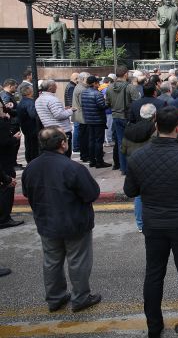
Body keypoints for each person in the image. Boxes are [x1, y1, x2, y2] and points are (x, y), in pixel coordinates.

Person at [123, 106, 178, 338]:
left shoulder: (139, 157)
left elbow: (130, 190)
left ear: (155, 126)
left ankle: (153, 325)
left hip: (154, 223)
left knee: (154, 273)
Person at [22, 127, 102, 312]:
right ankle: (80, 298)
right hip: (74, 223)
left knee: (51, 261)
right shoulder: (72, 167)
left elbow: (27, 192)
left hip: (46, 222)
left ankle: (55, 297)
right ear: (62, 144)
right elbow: (91, 193)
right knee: (78, 260)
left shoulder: (31, 167)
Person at [121, 104, 157, 233]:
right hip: (150, 165)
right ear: (154, 115)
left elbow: (123, 150)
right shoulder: (154, 130)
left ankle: (140, 224)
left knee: (139, 196)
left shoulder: (129, 129)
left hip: (133, 165)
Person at [106, 66, 140, 174]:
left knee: (121, 143)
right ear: (125, 74)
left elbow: (107, 103)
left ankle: (123, 168)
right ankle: (131, 168)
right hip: (127, 117)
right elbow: (137, 101)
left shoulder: (110, 87)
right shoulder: (130, 87)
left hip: (116, 117)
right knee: (131, 143)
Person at [35, 80, 74, 157]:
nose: (56, 87)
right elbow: (59, 115)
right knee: (64, 154)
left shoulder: (39, 99)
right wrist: (71, 110)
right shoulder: (52, 99)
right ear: (50, 88)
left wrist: (64, 109)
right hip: (61, 130)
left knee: (54, 154)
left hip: (49, 129)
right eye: (55, 85)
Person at [81, 76, 112, 169]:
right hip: (98, 120)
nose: (99, 84)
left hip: (89, 120)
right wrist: (108, 103)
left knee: (91, 140)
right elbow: (102, 106)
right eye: (97, 82)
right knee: (98, 141)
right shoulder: (97, 94)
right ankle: (99, 161)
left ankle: (92, 161)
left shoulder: (84, 93)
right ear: (94, 83)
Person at [0, 105, 23, 230]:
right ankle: (4, 218)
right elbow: (4, 142)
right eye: (1, 108)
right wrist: (15, 138)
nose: (3, 110)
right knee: (7, 189)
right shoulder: (2, 124)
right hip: (4, 163)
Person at [17, 85, 39, 163]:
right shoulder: (29, 102)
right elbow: (33, 115)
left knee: (29, 146)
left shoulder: (22, 101)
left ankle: (29, 161)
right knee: (33, 147)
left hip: (26, 128)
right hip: (32, 129)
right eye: (32, 90)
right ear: (29, 92)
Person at [72, 72, 90, 162]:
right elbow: (84, 103)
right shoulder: (82, 89)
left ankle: (85, 154)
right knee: (84, 137)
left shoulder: (79, 87)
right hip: (83, 116)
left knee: (83, 135)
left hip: (81, 115)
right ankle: (85, 155)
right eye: (88, 78)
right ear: (83, 79)